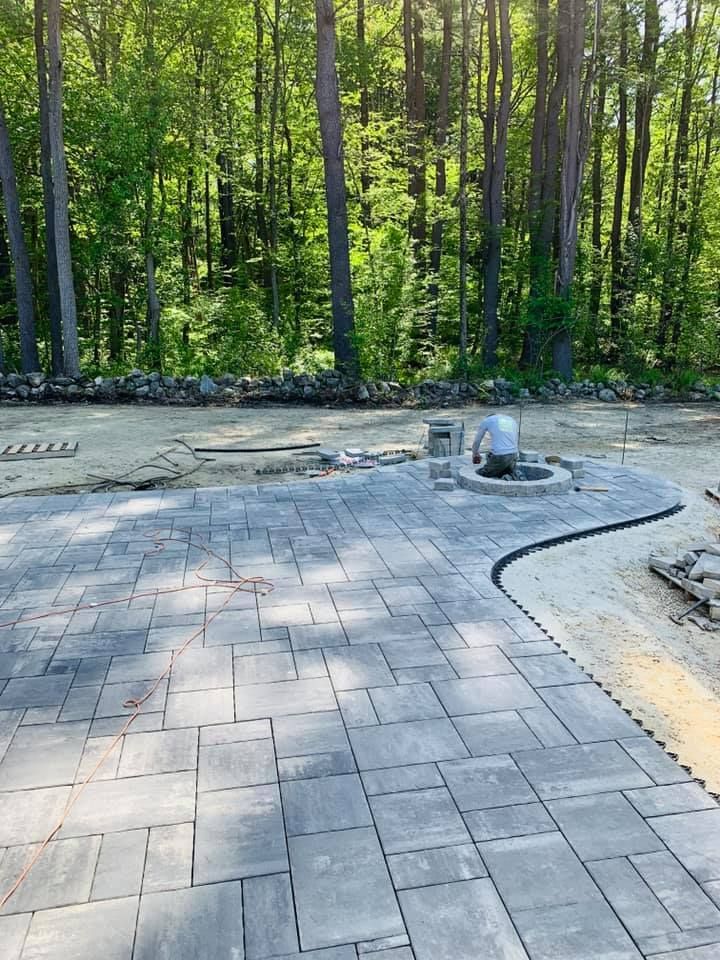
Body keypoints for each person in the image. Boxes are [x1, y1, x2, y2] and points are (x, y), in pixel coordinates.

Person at [471, 413, 519, 477]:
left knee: (479, 475)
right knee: (503, 471)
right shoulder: (511, 419)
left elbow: (477, 441)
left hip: (500, 456)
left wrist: (475, 454)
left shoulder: (487, 420)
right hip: (514, 455)